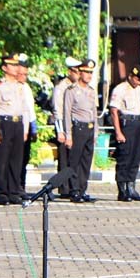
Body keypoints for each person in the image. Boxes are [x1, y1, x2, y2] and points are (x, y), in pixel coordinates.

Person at [0, 54, 29, 205]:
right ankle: (2, 193)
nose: (15, 68)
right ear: (5, 68)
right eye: (12, 65)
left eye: (16, 65)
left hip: (18, 124)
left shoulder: (20, 86)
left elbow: (24, 109)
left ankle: (13, 192)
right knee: (2, 160)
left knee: (16, 160)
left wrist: (25, 129)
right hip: (4, 123)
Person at [110, 65, 140, 202]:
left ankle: (131, 188)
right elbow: (114, 112)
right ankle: (122, 190)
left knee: (135, 158)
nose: (138, 82)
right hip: (127, 125)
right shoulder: (120, 89)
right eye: (137, 79)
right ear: (130, 76)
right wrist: (118, 132)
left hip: (138, 124)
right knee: (124, 158)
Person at [63, 59, 98, 203]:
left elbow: (94, 112)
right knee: (75, 162)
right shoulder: (71, 90)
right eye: (86, 72)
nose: (89, 75)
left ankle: (83, 189)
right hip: (78, 128)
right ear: (80, 72)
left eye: (91, 73)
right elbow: (66, 113)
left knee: (86, 162)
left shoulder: (91, 91)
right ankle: (74, 190)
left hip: (89, 128)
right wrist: (68, 135)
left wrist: (95, 132)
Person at [52, 57, 81, 197]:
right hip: (63, 127)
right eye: (76, 71)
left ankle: (73, 187)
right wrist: (60, 131)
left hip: (75, 127)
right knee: (64, 159)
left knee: (74, 159)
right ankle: (64, 188)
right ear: (69, 71)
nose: (78, 74)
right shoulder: (61, 87)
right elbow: (58, 111)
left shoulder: (77, 87)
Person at [17, 56, 37, 189]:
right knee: (15, 160)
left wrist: (34, 128)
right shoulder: (11, 87)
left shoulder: (27, 88)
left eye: (26, 74)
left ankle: (21, 186)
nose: (24, 77)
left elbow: (30, 110)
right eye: (21, 74)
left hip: (27, 126)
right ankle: (13, 187)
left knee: (24, 159)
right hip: (16, 126)